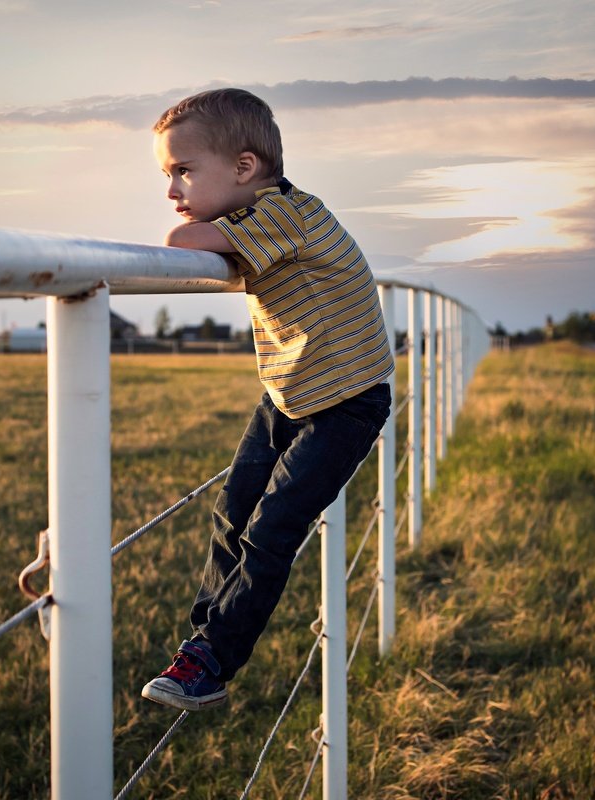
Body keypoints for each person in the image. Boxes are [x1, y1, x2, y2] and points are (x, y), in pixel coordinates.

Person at [140, 88, 394, 711]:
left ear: (245, 169)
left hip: (348, 399)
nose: (172, 189)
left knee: (272, 529)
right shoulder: (261, 216)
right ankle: (201, 642)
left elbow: (183, 241)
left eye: (183, 171)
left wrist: (193, 225)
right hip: (292, 388)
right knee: (233, 512)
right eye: (167, 174)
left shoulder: (285, 213)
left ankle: (213, 661)